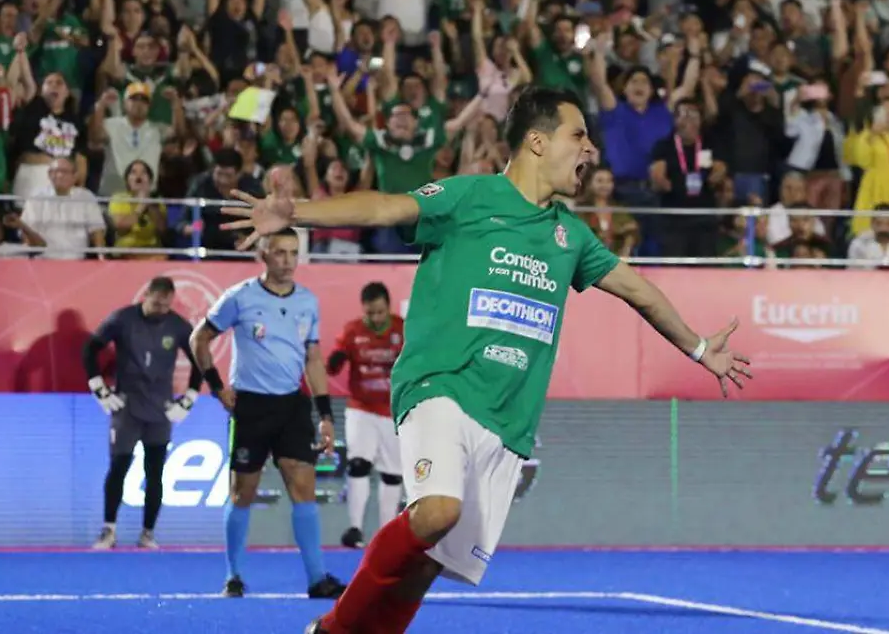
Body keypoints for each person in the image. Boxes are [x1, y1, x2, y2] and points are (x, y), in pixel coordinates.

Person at [221, 85, 753, 634]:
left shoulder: (570, 235)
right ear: (538, 142)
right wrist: (295, 212)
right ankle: (330, 630)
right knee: (436, 512)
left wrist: (697, 347)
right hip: (440, 386)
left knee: (429, 561)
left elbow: (636, 289)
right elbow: (386, 204)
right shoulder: (468, 197)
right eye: (579, 137)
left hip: (506, 420)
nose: (590, 151)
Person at [188, 210, 347, 600]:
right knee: (243, 492)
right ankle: (233, 575)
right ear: (264, 255)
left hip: (293, 407)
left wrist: (325, 416)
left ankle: (317, 578)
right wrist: (216, 387)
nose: (288, 260)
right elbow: (199, 340)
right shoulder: (239, 297)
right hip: (252, 409)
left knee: (304, 487)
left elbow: (313, 359)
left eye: (294, 252)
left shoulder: (308, 302)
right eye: (280, 252)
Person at [82, 276, 202, 550]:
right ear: (145, 295)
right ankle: (108, 530)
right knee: (119, 468)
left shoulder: (178, 326)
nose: (160, 309)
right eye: (156, 303)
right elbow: (90, 348)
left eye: (166, 305)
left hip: (160, 410)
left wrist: (189, 398)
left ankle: (148, 533)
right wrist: (98, 386)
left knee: (155, 472)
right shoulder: (122, 319)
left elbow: (199, 360)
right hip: (127, 407)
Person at [327, 281, 406, 549]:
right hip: (361, 407)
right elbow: (336, 358)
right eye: (370, 313)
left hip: (393, 410)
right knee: (358, 464)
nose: (375, 318)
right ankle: (355, 528)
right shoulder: (352, 331)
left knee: (392, 474)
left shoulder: (402, 329)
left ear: (388, 307)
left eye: (380, 312)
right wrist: (336, 360)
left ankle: (386, 533)